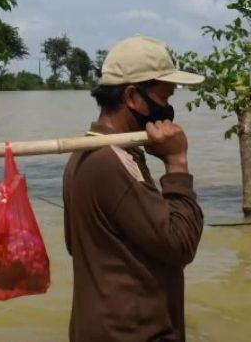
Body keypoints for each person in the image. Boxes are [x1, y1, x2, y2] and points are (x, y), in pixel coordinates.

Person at [62, 35, 206, 342]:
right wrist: (177, 162)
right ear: (131, 96)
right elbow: (180, 244)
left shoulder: (89, 153)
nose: (167, 109)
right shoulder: (110, 163)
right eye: (165, 97)